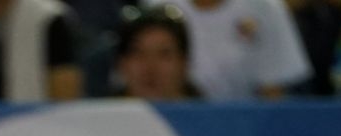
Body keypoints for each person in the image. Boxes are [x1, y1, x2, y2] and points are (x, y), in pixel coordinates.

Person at [171, 0, 312, 98]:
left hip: (249, 125)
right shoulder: (164, 8)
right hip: (172, 123)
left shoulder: (265, 7)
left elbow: (275, 93)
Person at [116, 4, 200, 98]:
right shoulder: (103, 106)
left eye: (164, 54)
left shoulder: (207, 106)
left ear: (184, 62)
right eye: (139, 53)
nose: (150, 69)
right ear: (122, 63)